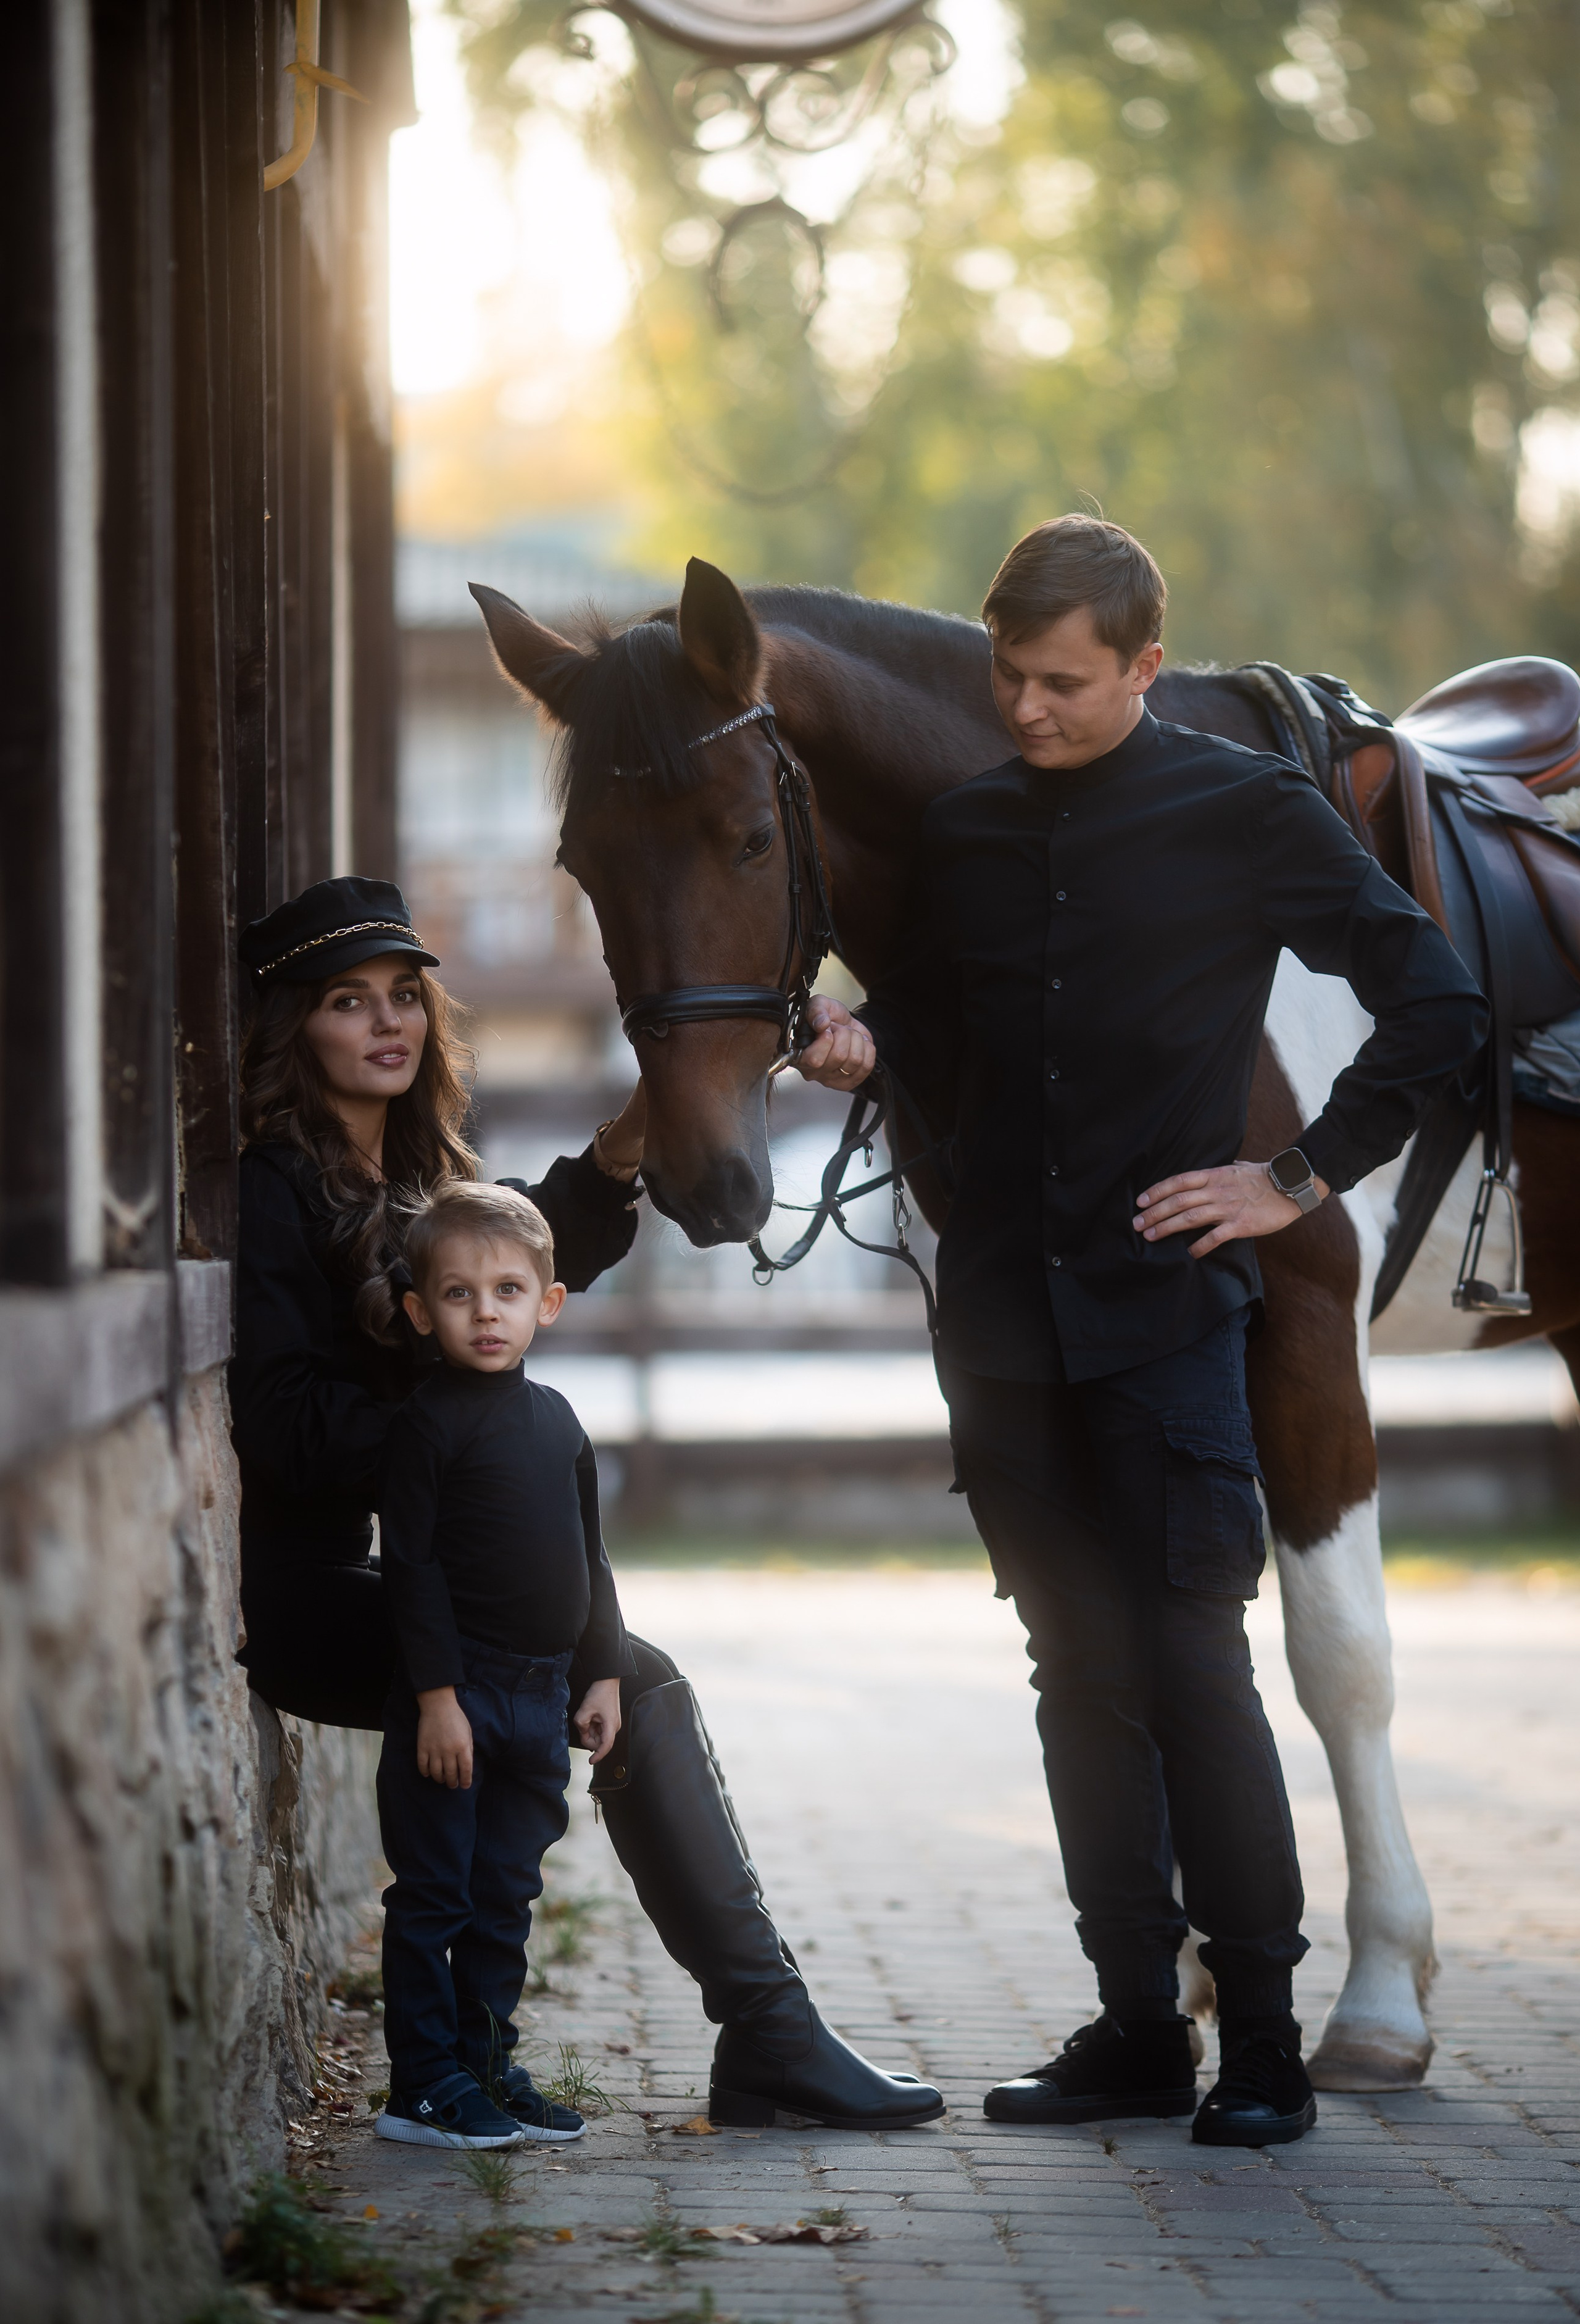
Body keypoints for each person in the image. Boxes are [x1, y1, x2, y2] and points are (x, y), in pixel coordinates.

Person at [796, 516, 1486, 2148]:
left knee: (1191, 1666)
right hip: (1003, 1331)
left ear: (1144, 667)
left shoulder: (1246, 808)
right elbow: (946, 1021)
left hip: (1168, 1319)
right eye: (1009, 678)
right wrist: (858, 1037)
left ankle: (1264, 2041)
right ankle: (1131, 2023)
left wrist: (1291, 1176)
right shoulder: (968, 826)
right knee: (1075, 1675)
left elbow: (1435, 999)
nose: (1025, 708)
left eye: (1062, 682)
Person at [231, 874, 942, 2132]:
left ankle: (758, 2031)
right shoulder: (275, 1187)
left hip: (427, 1580)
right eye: (348, 1001)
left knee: (623, 1670)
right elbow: (287, 1423)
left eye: (403, 995)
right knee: (627, 1679)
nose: (388, 1021)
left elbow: (510, 1256)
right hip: (317, 1594)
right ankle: (764, 2032)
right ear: (299, 1026)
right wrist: (457, 1434)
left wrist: (625, 1141)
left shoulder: (417, 1165)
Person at [370, 1181, 633, 2152]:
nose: (487, 1312)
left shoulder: (559, 1420)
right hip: (459, 1698)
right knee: (435, 1894)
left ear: (547, 1302)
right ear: (420, 1311)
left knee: (504, 1896)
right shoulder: (425, 1424)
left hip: (541, 1697)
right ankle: (421, 2083)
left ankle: (485, 2064)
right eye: (459, 1294)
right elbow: (411, 1567)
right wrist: (438, 1698)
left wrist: (602, 1673)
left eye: (509, 1291)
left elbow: (591, 1553)